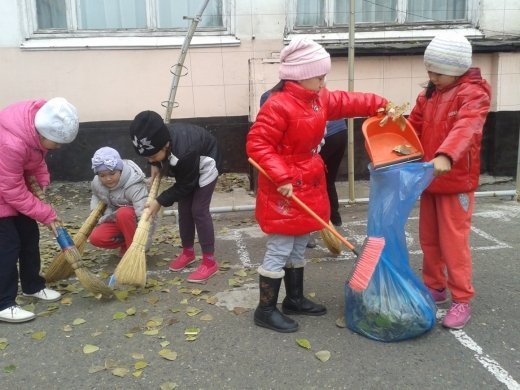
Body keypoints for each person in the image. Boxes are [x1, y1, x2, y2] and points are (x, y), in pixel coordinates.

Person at [247, 37, 390, 333]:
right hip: (284, 187)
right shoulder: (278, 106)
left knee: (299, 242)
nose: (324, 81)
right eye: (319, 75)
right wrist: (282, 177)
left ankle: (294, 299)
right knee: (281, 246)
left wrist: (381, 105)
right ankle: (265, 309)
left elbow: (348, 101)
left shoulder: (318, 98)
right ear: (300, 75)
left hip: (308, 178)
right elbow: (257, 144)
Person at [407, 32, 491, 329]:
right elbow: (413, 127)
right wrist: (393, 137)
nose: (432, 77)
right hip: (429, 178)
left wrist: (445, 155)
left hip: (454, 180)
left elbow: (467, 128)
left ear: (456, 68)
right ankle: (435, 287)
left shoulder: (473, 94)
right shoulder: (428, 94)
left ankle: (461, 299)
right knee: (429, 239)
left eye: (438, 72)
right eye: (429, 70)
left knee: (453, 243)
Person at [0, 97, 79, 323]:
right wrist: (44, 212)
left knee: (29, 236)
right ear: (42, 134)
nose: (59, 148)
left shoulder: (35, 129)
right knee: (7, 246)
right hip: (5, 190)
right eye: (57, 143)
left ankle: (32, 286)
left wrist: (41, 184)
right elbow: (12, 191)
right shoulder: (12, 143)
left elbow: (35, 160)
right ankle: (3, 303)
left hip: (12, 183)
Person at [129, 111, 222, 283]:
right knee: (184, 210)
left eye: (153, 156)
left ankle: (209, 262)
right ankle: (188, 252)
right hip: (187, 168)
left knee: (198, 210)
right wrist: (155, 163)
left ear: (165, 145)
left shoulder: (185, 151)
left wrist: (160, 201)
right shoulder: (158, 139)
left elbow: (186, 185)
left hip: (206, 165)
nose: (150, 160)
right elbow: (159, 157)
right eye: (147, 158)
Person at [260, 90, 347, 248]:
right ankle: (333, 221)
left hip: (319, 141)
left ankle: (309, 230)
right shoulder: (300, 94)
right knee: (326, 183)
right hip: (339, 132)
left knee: (309, 187)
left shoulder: (273, 99)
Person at [89, 146, 149, 258]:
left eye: (112, 174)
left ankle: (133, 250)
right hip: (115, 219)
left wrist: (143, 245)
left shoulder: (134, 185)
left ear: (120, 170)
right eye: (102, 175)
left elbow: (145, 216)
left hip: (137, 223)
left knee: (124, 213)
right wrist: (94, 212)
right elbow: (96, 196)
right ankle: (126, 242)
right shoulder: (97, 183)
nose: (108, 179)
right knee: (96, 238)